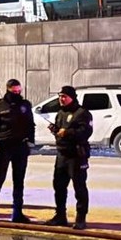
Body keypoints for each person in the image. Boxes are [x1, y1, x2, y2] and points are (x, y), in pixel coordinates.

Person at [0, 78, 35, 222]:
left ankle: (17, 213)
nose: (17, 94)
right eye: (14, 91)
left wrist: (31, 143)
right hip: (3, 147)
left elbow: (31, 125)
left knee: (19, 181)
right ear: (8, 90)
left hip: (20, 148)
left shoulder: (25, 105)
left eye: (19, 91)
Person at [47, 86, 93, 229]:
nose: (61, 99)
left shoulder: (82, 113)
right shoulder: (60, 113)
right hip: (62, 154)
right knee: (59, 186)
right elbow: (60, 132)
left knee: (79, 187)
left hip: (76, 155)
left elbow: (86, 132)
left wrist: (67, 132)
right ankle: (60, 215)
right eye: (60, 96)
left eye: (64, 97)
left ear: (72, 97)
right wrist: (55, 131)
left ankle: (80, 218)